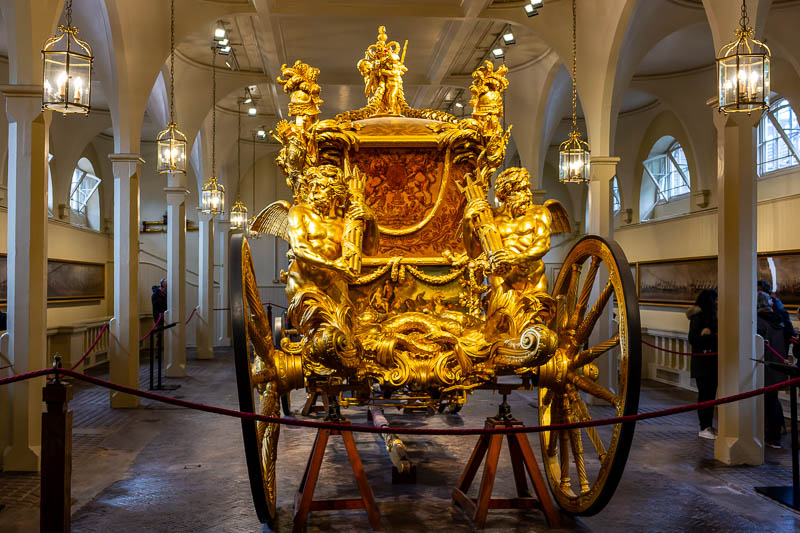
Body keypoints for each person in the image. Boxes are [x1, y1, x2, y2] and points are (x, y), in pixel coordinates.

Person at [757, 290, 787, 449]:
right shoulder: (779, 319)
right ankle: (774, 436)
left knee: (767, 403)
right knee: (772, 401)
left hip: (764, 366)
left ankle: (772, 437)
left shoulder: (759, 321)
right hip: (777, 365)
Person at [687, 289, 718, 440]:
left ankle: (708, 425)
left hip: (710, 361)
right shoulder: (698, 317)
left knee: (710, 395)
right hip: (703, 361)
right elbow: (693, 338)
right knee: (705, 394)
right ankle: (704, 426)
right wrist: (713, 337)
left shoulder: (712, 317)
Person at [758, 280, 793, 347]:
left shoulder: (775, 303)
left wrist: (790, 334)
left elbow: (784, 317)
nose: (759, 293)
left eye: (760, 290)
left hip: (778, 338)